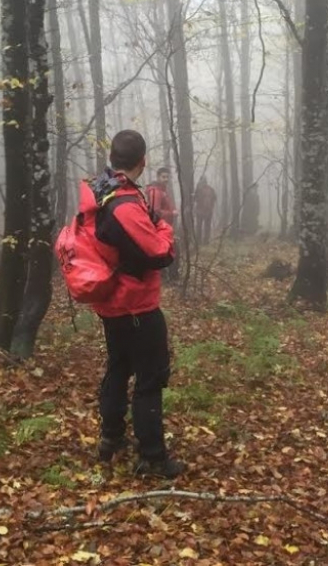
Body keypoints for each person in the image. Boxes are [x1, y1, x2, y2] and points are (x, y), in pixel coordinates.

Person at [88, 131, 185, 478]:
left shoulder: (101, 191)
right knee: (149, 379)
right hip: (136, 306)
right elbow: (159, 254)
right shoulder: (124, 204)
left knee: (118, 368)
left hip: (113, 302)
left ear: (113, 159)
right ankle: (153, 457)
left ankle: (111, 438)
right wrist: (165, 229)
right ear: (142, 162)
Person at [145, 167, 179, 279]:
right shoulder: (155, 191)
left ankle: (168, 276)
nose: (166, 179)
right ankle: (170, 277)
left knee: (168, 252)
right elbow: (155, 212)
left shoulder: (162, 191)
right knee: (170, 251)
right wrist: (172, 213)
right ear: (158, 177)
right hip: (160, 228)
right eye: (163, 177)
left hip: (165, 227)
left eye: (167, 177)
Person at [193, 176, 217, 245]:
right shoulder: (211, 189)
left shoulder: (199, 189)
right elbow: (215, 198)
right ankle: (206, 241)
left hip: (200, 211)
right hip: (208, 211)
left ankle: (199, 241)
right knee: (207, 227)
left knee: (199, 227)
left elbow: (195, 199)